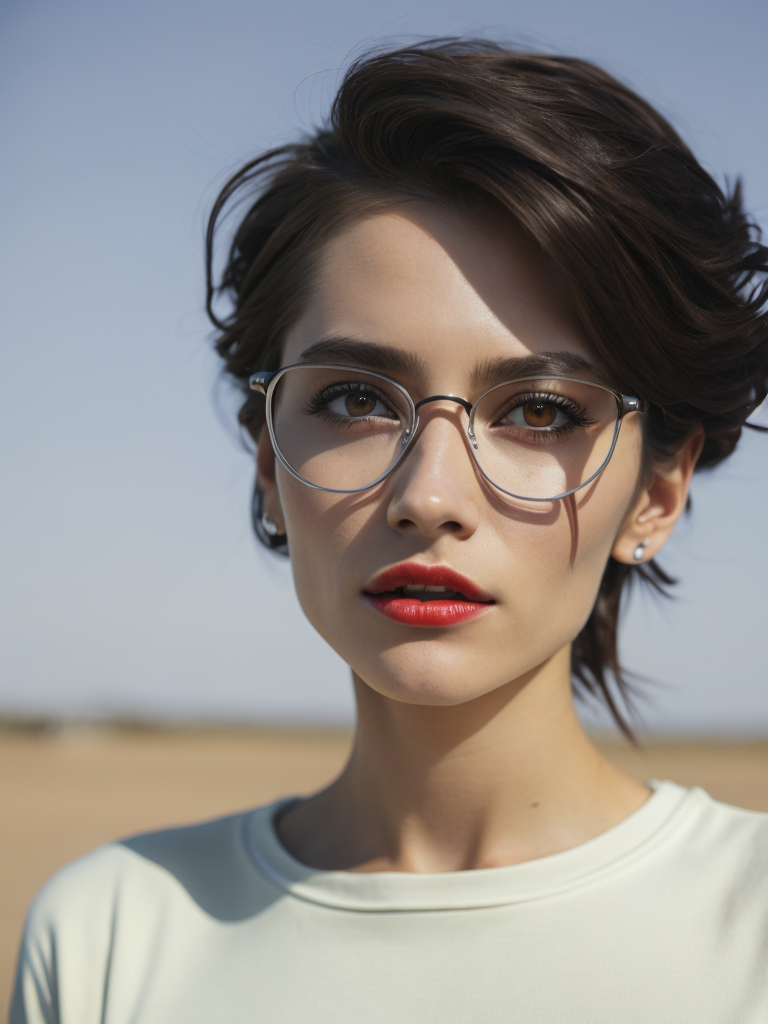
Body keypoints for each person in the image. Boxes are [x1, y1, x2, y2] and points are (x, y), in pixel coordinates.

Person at [11, 39, 768, 1023]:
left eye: (540, 410)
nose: (429, 494)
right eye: (357, 399)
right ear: (269, 465)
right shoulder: (110, 937)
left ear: (658, 492)